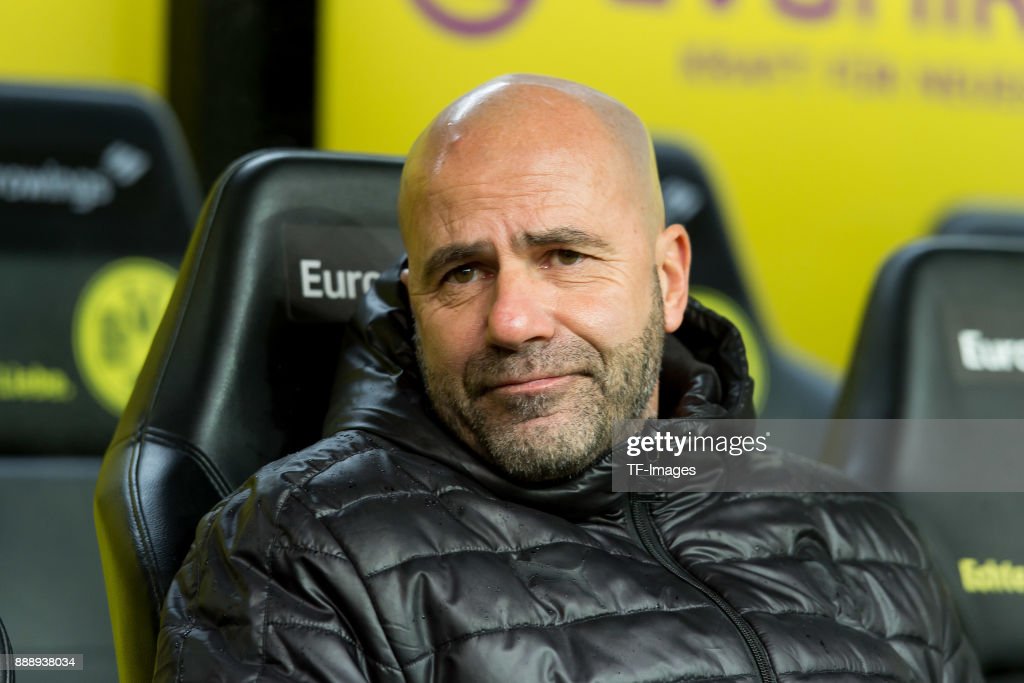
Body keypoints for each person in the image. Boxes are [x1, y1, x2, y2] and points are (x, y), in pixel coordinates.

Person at [154, 74, 980, 681]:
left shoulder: (868, 538)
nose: (514, 321)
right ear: (414, 298)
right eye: (463, 272)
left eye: (564, 256)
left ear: (668, 279)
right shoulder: (295, 556)